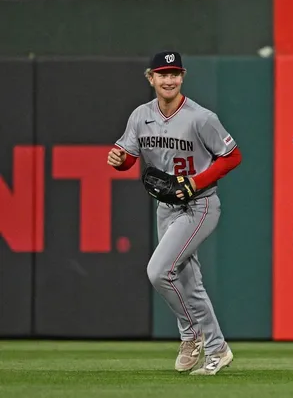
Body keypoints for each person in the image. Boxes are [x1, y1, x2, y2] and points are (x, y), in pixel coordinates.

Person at [107, 51, 242, 375]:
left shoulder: (200, 117)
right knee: (189, 284)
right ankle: (211, 345)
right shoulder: (141, 115)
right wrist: (119, 159)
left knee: (159, 271)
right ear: (150, 78)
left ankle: (198, 336)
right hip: (166, 206)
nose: (169, 80)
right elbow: (128, 156)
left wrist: (196, 182)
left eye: (175, 74)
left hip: (199, 204)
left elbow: (232, 156)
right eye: (162, 74)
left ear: (182, 77)